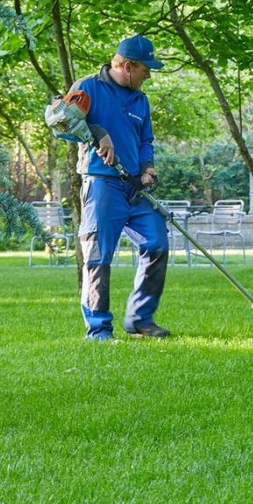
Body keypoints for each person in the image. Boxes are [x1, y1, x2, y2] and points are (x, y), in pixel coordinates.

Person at [72, 34, 170, 340]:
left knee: (156, 243)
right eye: (145, 69)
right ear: (127, 66)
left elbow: (145, 141)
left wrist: (147, 168)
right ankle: (98, 329)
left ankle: (140, 318)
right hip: (102, 185)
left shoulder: (141, 100)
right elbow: (60, 122)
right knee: (98, 256)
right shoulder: (88, 87)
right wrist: (97, 132)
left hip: (134, 189)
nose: (149, 74)